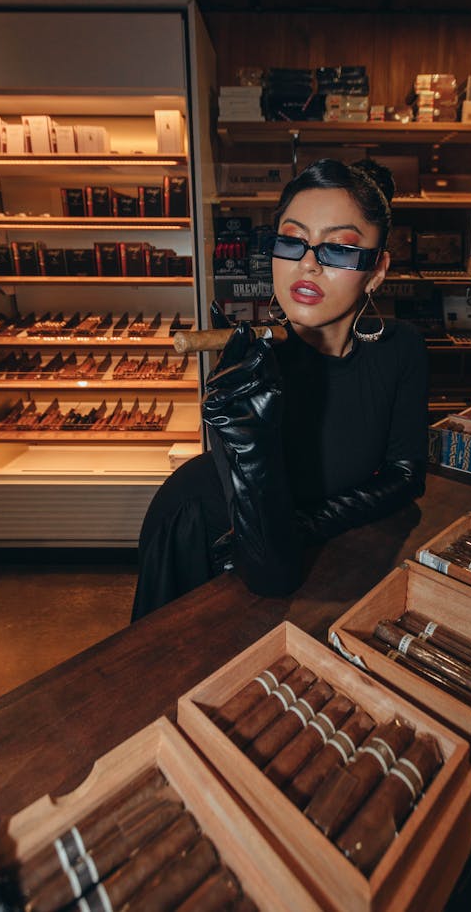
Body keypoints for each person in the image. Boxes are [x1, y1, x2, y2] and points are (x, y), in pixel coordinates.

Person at [131, 158, 428, 620]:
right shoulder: (250, 372)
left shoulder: (401, 347)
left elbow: (406, 475)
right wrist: (248, 444)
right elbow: (270, 574)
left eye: (339, 249)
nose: (307, 265)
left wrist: (306, 524)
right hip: (207, 534)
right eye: (292, 241)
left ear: (377, 269)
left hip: (307, 551)